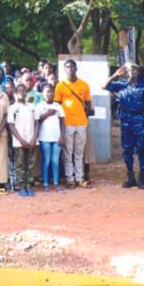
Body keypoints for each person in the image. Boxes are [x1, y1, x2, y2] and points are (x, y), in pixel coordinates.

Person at [105, 63, 144, 189]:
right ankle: (130, 177)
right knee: (127, 150)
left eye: (134, 70)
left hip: (139, 120)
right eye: (130, 70)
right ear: (126, 72)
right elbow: (104, 86)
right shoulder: (121, 85)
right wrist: (115, 75)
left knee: (141, 148)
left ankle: (142, 176)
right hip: (125, 120)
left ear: (138, 72)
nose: (132, 72)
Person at [54, 59, 92, 188]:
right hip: (67, 123)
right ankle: (69, 179)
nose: (70, 69)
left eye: (72, 67)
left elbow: (88, 103)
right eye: (67, 67)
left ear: (76, 68)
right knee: (68, 153)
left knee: (79, 152)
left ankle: (79, 178)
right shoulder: (60, 86)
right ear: (65, 70)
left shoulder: (84, 85)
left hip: (81, 123)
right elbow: (57, 105)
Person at [8, 82, 39, 197]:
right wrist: (21, 139)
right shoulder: (12, 108)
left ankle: (29, 185)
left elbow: (37, 122)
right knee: (20, 164)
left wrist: (34, 138)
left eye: (24, 91)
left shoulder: (32, 107)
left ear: (27, 93)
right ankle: (21, 186)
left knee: (30, 163)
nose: (22, 93)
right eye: (19, 91)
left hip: (31, 140)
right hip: (19, 141)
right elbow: (11, 125)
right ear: (16, 94)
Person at [36, 84, 64, 193]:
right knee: (46, 160)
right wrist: (47, 113)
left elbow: (62, 122)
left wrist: (62, 136)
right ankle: (45, 183)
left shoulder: (58, 106)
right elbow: (37, 120)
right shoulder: (39, 106)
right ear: (43, 94)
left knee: (55, 160)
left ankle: (56, 183)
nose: (49, 94)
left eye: (51, 91)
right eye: (47, 92)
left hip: (56, 137)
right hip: (44, 137)